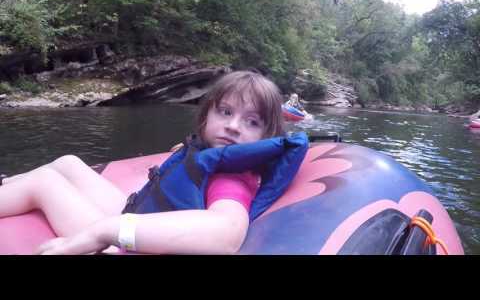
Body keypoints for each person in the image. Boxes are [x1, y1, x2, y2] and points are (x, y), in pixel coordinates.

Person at [0, 71, 308, 255]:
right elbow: (185, 169)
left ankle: (18, 190)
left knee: (45, 185)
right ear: (206, 116)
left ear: (268, 135)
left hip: (127, 243)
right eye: (225, 112)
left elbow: (227, 233)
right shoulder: (205, 152)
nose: (233, 126)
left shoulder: (231, 180)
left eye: (251, 122)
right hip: (137, 211)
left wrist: (107, 230)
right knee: (68, 162)